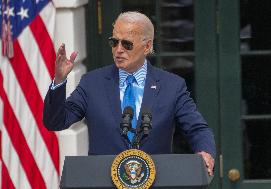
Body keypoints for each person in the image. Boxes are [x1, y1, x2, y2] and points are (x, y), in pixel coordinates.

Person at [43, 11, 216, 176]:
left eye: (127, 44)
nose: (118, 49)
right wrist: (59, 81)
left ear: (147, 46)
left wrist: (205, 152)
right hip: (104, 181)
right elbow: (56, 121)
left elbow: (197, 128)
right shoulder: (92, 83)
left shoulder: (172, 86)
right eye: (114, 42)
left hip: (157, 181)